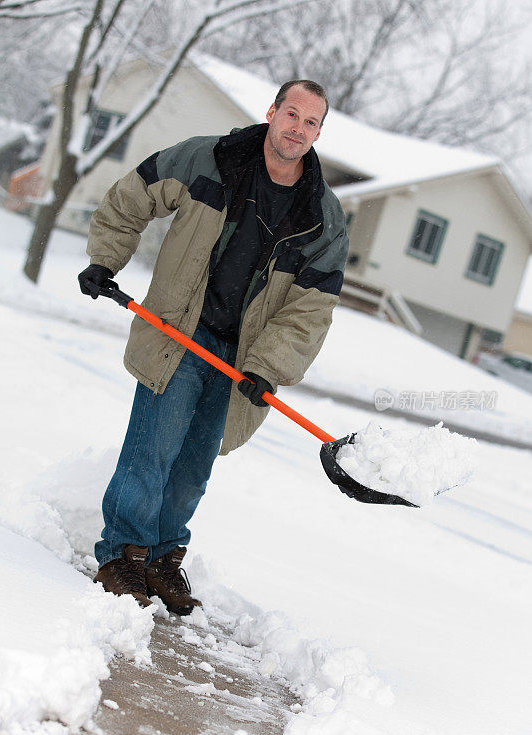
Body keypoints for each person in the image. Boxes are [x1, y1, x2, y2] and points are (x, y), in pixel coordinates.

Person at [78, 80, 348, 614]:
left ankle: (161, 557)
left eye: (311, 122)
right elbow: (135, 193)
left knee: (195, 463)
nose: (298, 129)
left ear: (319, 132)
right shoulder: (212, 158)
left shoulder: (322, 216)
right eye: (291, 114)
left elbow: (311, 308)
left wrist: (267, 367)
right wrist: (106, 259)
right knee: (153, 447)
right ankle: (122, 554)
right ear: (272, 112)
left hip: (239, 358)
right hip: (182, 330)